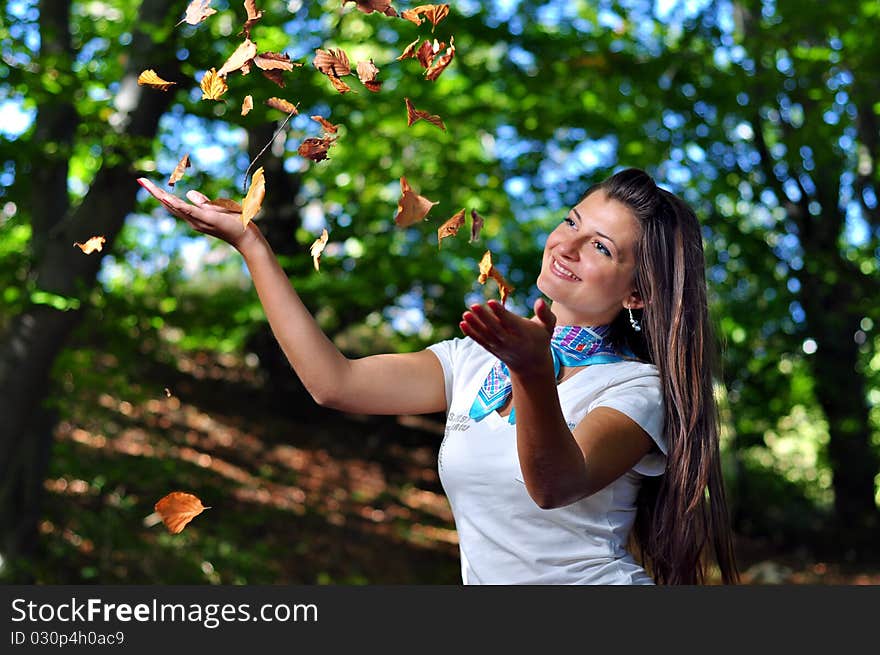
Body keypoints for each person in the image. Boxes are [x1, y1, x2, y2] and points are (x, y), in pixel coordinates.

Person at [137, 167, 739, 585]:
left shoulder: (635, 390)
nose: (568, 244)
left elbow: (555, 483)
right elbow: (334, 382)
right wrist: (252, 246)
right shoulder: (474, 360)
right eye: (571, 221)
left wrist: (531, 372)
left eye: (602, 247)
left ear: (638, 292)